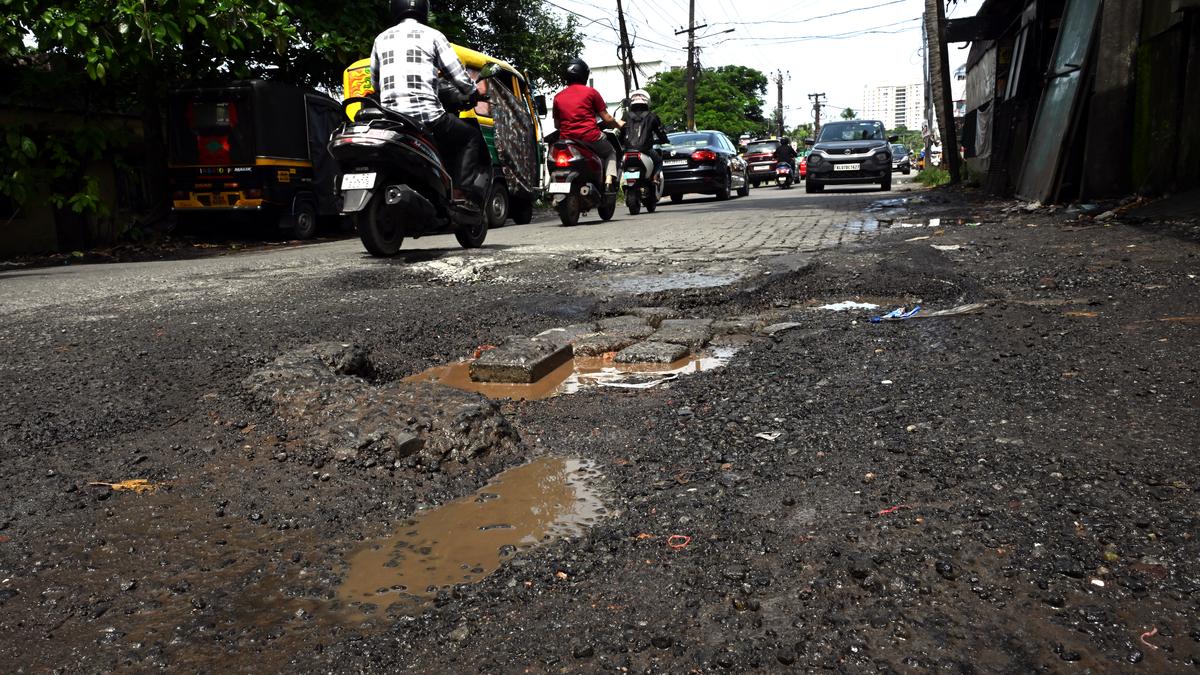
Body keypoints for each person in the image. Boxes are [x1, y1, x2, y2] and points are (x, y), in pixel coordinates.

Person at [371, 0, 489, 203]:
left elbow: (376, 83)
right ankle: (461, 193)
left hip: (392, 120)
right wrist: (472, 91)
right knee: (471, 136)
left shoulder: (380, 39)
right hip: (427, 117)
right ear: (423, 10)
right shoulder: (433, 35)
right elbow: (458, 76)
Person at [552, 58, 623, 191]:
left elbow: (557, 125)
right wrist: (618, 125)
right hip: (590, 137)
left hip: (567, 140)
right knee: (610, 152)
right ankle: (608, 182)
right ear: (584, 75)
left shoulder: (558, 97)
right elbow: (607, 118)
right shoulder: (591, 92)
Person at [620, 88, 669, 181]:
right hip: (645, 150)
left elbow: (620, 134)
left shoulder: (626, 116)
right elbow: (661, 133)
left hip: (627, 150)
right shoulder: (652, 116)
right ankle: (654, 178)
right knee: (658, 161)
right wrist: (664, 140)